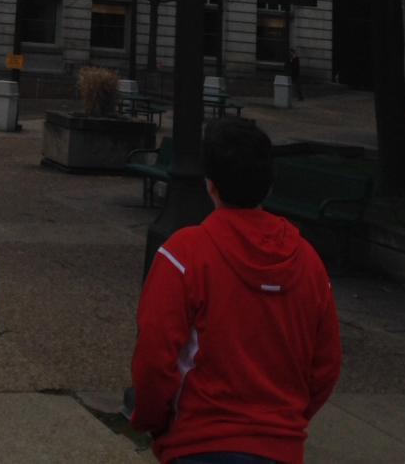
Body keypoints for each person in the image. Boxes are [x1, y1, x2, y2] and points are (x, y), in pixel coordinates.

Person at [131, 118, 341, 464]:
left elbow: (154, 355)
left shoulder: (184, 255)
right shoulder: (309, 264)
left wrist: (154, 421)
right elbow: (326, 365)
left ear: (210, 185)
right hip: (280, 447)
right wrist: (286, 422)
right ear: (270, 185)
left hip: (197, 442)